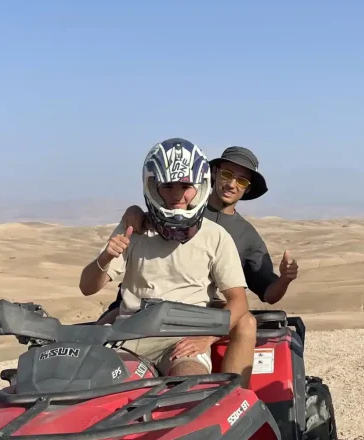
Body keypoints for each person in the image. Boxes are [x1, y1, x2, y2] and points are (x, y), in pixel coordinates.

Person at [79, 137, 257, 384]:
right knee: (109, 395)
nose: (177, 196)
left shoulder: (216, 236)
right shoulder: (134, 228)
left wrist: (207, 339)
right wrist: (107, 256)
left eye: (185, 187)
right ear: (153, 187)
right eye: (168, 186)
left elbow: (238, 302)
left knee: (191, 388)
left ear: (200, 187)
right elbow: (87, 288)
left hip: (182, 339)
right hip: (128, 338)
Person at [114, 146, 297, 308]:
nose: (232, 185)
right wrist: (134, 211)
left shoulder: (246, 235)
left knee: (244, 321)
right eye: (227, 175)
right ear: (214, 173)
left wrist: (285, 279)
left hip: (194, 310)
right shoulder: (181, 205)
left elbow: (268, 294)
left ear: (247, 188)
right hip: (135, 305)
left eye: (242, 181)